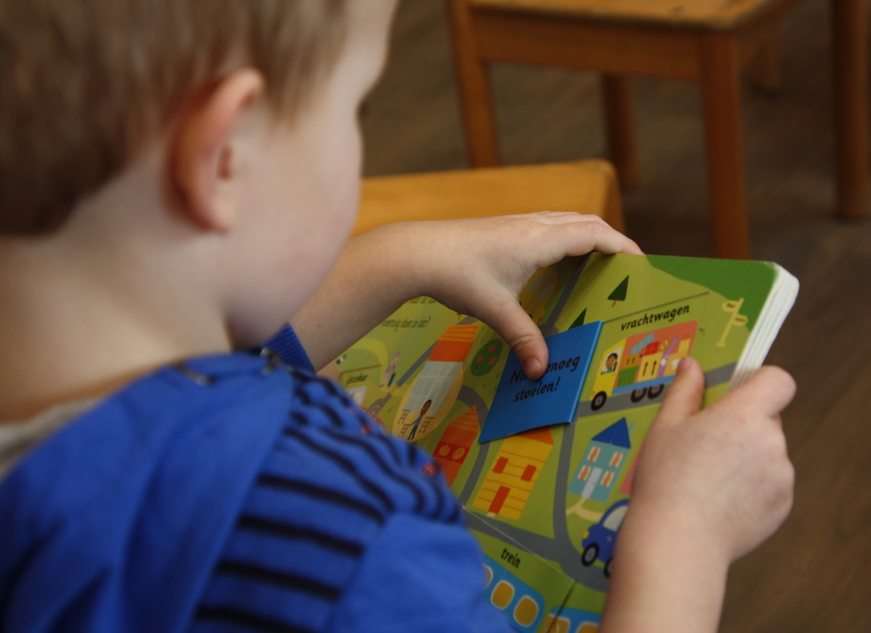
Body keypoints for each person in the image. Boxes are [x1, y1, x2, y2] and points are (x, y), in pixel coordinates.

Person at [0, 1, 796, 632]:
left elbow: (181, 387)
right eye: (358, 106)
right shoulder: (346, 540)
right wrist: (680, 536)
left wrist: (396, 257)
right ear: (225, 157)